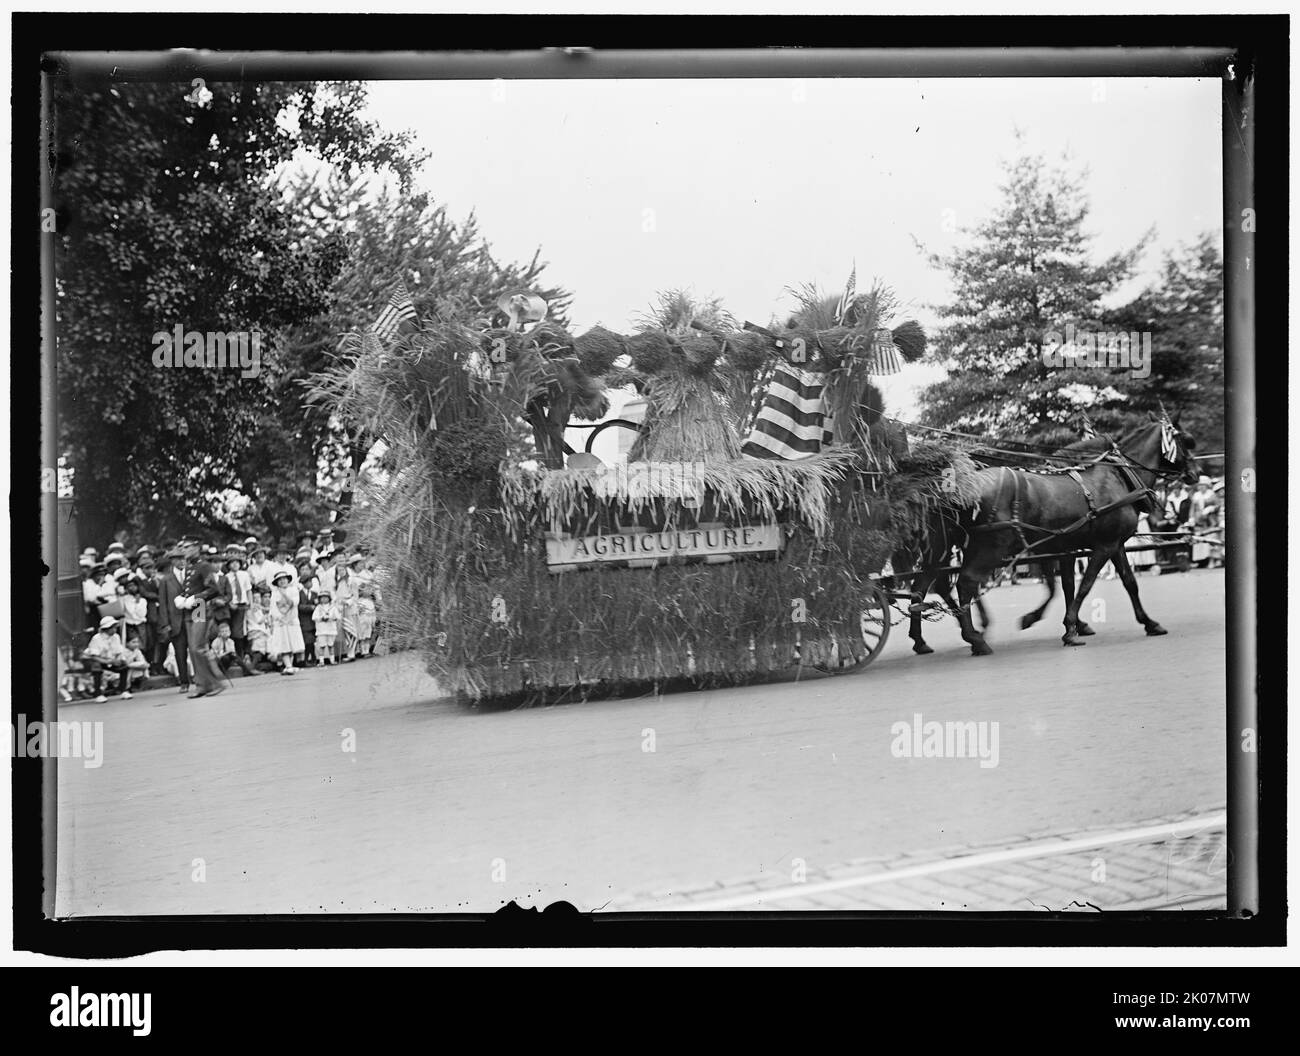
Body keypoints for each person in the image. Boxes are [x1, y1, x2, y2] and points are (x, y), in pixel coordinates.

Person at [178, 542, 225, 699]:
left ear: (196, 549)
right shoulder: (190, 567)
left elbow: (214, 589)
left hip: (199, 607)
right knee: (192, 649)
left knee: (198, 647)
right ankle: (202, 685)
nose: (184, 550)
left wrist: (196, 598)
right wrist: (182, 598)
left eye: (187, 547)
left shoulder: (204, 566)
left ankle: (215, 682)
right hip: (190, 609)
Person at [155, 550, 192, 691]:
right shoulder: (166, 579)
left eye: (184, 559)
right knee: (180, 652)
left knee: (196, 650)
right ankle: (184, 682)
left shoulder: (192, 576)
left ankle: (201, 679)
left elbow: (199, 597)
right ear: (172, 561)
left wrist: (200, 618)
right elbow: (163, 604)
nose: (182, 562)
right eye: (178, 559)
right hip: (175, 622)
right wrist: (165, 624)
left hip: (192, 619)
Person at [82, 616, 133, 702]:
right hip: (94, 661)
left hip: (109, 661)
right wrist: (107, 661)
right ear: (107, 628)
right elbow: (94, 656)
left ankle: (123, 690)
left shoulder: (116, 637)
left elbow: (118, 651)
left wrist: (117, 660)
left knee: (124, 666)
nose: (115, 629)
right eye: (113, 627)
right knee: (97, 667)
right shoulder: (96, 638)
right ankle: (98, 694)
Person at [268, 570, 305, 675]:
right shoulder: (274, 594)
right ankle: (288, 665)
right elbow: (273, 608)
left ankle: (290, 665)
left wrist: (285, 595)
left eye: (284, 579)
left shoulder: (293, 590)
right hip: (281, 623)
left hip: (292, 620)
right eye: (280, 580)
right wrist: (280, 618)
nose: (282, 581)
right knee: (284, 644)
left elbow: (294, 603)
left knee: (292, 643)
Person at [223, 548, 254, 662]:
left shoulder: (244, 575)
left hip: (243, 604)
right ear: (229, 565)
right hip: (233, 604)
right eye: (232, 563)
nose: (235, 565)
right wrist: (230, 603)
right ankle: (235, 654)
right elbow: (226, 592)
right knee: (234, 630)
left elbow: (248, 590)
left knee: (241, 630)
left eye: (237, 562)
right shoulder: (227, 577)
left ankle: (242, 654)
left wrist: (251, 603)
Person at [296, 562, 318, 666]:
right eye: (309, 581)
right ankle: (305, 660)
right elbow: (299, 606)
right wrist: (310, 607)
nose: (311, 583)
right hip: (304, 621)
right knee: (307, 641)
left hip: (313, 621)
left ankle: (313, 658)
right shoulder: (299, 594)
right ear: (304, 583)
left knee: (312, 642)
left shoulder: (314, 594)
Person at [312, 590, 340, 665]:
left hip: (331, 629)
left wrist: (331, 618)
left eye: (326, 597)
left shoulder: (333, 607)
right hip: (321, 629)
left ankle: (332, 660)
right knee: (322, 646)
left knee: (331, 645)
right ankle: (321, 661)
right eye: (322, 598)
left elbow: (337, 617)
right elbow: (314, 617)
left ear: (329, 598)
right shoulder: (318, 608)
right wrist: (321, 618)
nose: (324, 599)